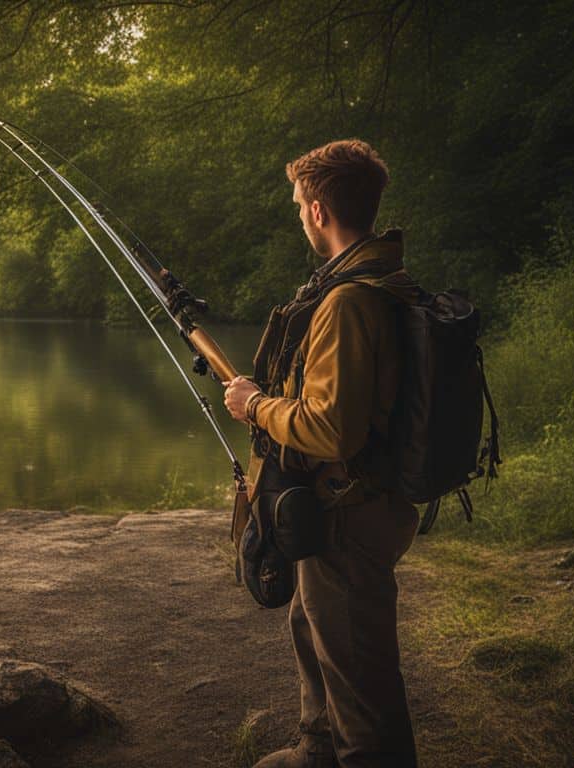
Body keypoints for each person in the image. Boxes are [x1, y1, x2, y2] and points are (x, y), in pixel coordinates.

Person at [223, 139, 420, 768]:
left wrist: (254, 405)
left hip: (351, 514)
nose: (298, 214)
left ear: (317, 211)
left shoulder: (348, 301)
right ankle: (317, 750)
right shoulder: (379, 277)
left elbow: (331, 430)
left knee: (361, 680)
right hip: (352, 503)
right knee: (313, 625)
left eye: (297, 203)